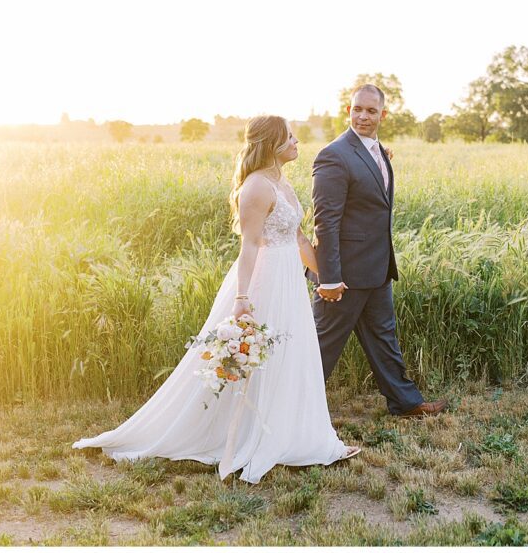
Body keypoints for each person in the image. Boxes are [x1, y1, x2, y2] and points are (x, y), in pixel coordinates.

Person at [73, 115, 360, 484]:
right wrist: (243, 298)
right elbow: (250, 246)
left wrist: (327, 277)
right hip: (266, 280)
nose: (297, 142)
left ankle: (294, 435)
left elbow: (300, 238)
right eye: (290, 137)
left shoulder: (282, 182)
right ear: (272, 144)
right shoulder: (256, 188)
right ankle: (245, 435)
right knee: (261, 357)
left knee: (292, 355)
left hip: (290, 280)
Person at [309, 84, 448, 417]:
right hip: (343, 276)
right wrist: (328, 277)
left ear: (383, 115)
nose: (363, 116)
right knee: (319, 348)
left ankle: (406, 402)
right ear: (349, 110)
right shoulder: (334, 155)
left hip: (376, 268)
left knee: (384, 339)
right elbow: (325, 222)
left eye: (371, 111)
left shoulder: (377, 151)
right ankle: (287, 411)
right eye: (358, 109)